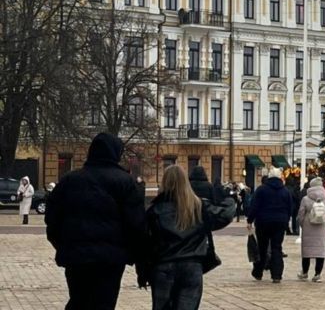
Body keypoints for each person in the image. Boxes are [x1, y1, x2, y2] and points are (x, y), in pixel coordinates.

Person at [45, 132, 146, 310]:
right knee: (104, 303)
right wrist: (137, 257)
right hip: (111, 259)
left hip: (76, 256)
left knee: (78, 299)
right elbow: (136, 225)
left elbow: (52, 219)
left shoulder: (70, 180)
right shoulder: (125, 182)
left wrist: (63, 244)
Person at [141, 165, 235, 309]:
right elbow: (225, 214)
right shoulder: (197, 207)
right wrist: (226, 196)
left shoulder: (155, 210)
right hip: (192, 266)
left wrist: (142, 271)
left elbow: (146, 243)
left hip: (163, 266)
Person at [247, 167, 292, 283]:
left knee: (262, 248)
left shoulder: (261, 190)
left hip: (263, 222)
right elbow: (290, 208)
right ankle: (277, 275)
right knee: (277, 248)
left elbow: (254, 206)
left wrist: (250, 220)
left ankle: (258, 272)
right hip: (280, 223)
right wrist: (286, 220)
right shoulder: (285, 191)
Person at [296, 177, 325, 283]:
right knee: (320, 252)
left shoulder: (305, 199)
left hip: (308, 228)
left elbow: (301, 214)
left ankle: (304, 272)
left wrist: (303, 224)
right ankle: (317, 274)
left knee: (306, 252)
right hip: (321, 228)